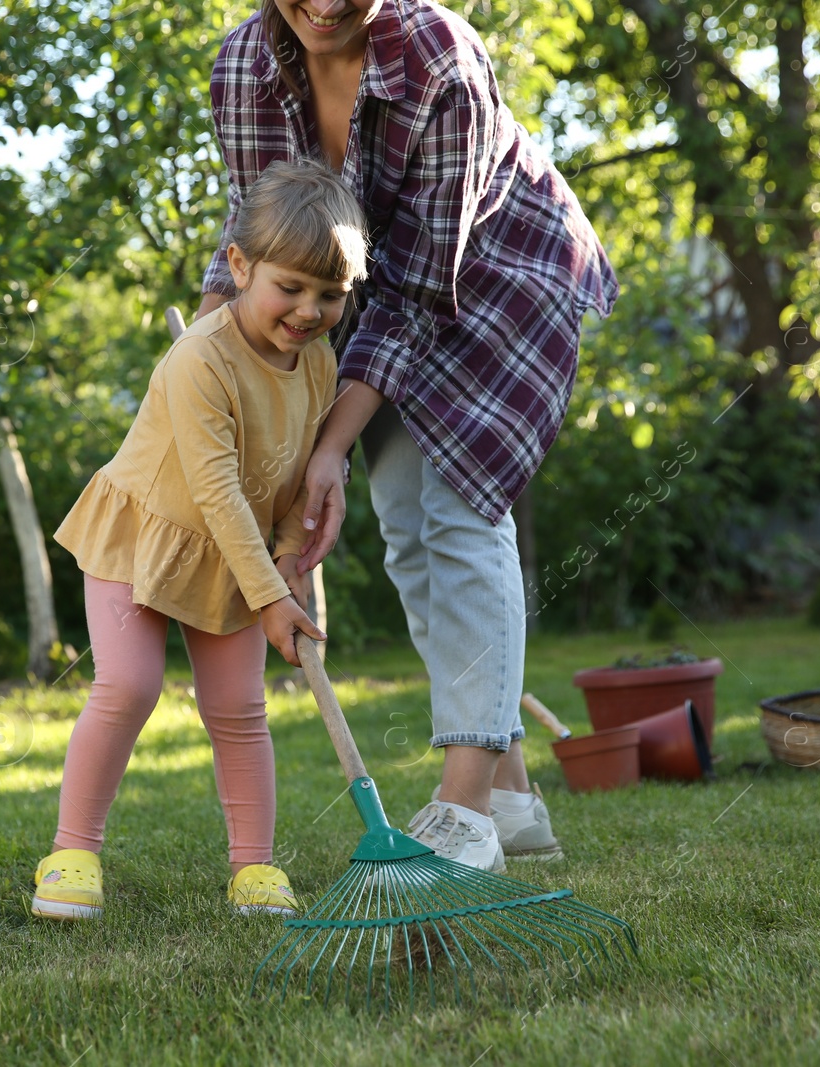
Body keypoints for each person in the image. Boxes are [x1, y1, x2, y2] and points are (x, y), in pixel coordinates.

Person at [196, 0, 621, 872]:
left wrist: (327, 450)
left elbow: (421, 287)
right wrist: (197, 380)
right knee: (412, 541)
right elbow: (256, 234)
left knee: (459, 517)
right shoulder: (242, 67)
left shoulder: (440, 58)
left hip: (491, 274)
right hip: (357, 298)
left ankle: (463, 810)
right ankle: (511, 796)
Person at [32, 160, 369, 920]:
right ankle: (72, 852)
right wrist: (272, 595)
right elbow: (215, 488)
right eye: (291, 286)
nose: (309, 310)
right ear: (241, 267)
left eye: (330, 294)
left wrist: (287, 556)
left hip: (234, 552)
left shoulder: (317, 363)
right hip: (143, 537)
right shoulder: (198, 361)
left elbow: (292, 476)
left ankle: (253, 869)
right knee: (128, 686)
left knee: (239, 709)